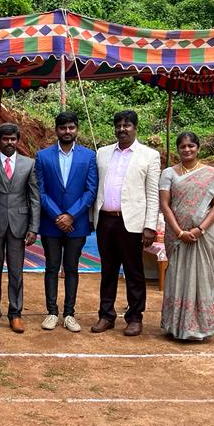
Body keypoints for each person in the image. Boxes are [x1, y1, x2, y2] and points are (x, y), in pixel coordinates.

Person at [91, 109, 161, 337]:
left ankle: (135, 317)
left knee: (134, 271)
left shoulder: (149, 156)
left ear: (135, 128)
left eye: (127, 125)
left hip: (132, 223)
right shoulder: (102, 153)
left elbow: (153, 194)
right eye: (119, 125)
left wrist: (150, 226)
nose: (122, 129)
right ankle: (106, 315)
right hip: (105, 221)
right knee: (108, 271)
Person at [159, 132, 214, 341]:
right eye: (183, 146)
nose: (187, 149)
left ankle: (199, 327)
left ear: (198, 148)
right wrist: (179, 232)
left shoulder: (211, 175)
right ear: (178, 149)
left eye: (191, 146)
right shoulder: (168, 173)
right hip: (177, 237)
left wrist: (200, 229)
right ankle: (175, 326)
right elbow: (165, 205)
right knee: (177, 276)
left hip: (202, 236)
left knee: (200, 277)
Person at [35, 111, 98, 332]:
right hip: (50, 223)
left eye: (71, 127)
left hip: (76, 223)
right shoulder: (42, 156)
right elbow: (40, 191)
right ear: (56, 130)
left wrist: (71, 215)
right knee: (51, 267)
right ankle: (52, 312)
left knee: (71, 268)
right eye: (63, 128)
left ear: (77, 129)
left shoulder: (88, 156)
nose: (67, 131)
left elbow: (90, 190)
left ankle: (69, 314)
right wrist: (57, 216)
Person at [0, 123, 40, 333]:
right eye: (5, 139)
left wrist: (33, 228)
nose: (9, 142)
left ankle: (16, 314)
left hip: (19, 226)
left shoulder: (29, 164)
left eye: (13, 139)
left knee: (16, 272)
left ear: (17, 140)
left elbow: (34, 198)